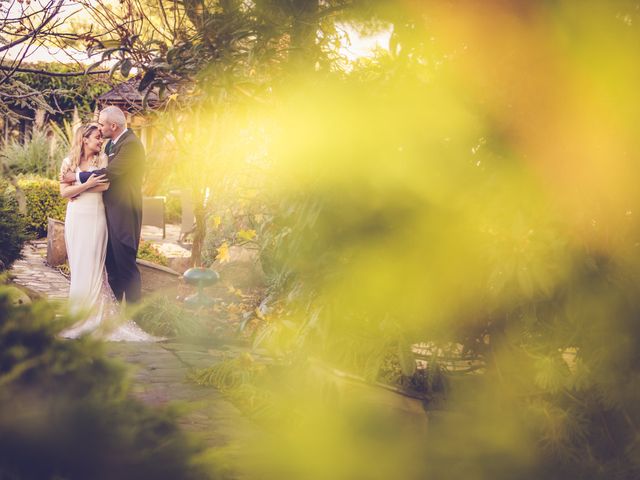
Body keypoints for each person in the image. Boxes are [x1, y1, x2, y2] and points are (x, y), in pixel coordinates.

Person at [59, 122, 155, 341]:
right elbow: (64, 192)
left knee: (95, 265)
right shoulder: (68, 162)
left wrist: (79, 183)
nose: (100, 141)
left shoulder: (102, 160)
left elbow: (104, 186)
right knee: (79, 264)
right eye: (96, 137)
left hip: (96, 217)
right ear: (84, 139)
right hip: (76, 217)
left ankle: (95, 315)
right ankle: (77, 314)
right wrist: (85, 185)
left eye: (101, 137)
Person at [62, 106, 145, 305]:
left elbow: (109, 173)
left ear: (113, 126)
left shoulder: (131, 145)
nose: (100, 128)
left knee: (126, 265)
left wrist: (76, 178)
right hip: (107, 213)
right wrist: (79, 188)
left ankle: (136, 318)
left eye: (102, 124)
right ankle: (112, 314)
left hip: (124, 213)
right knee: (113, 268)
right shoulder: (110, 146)